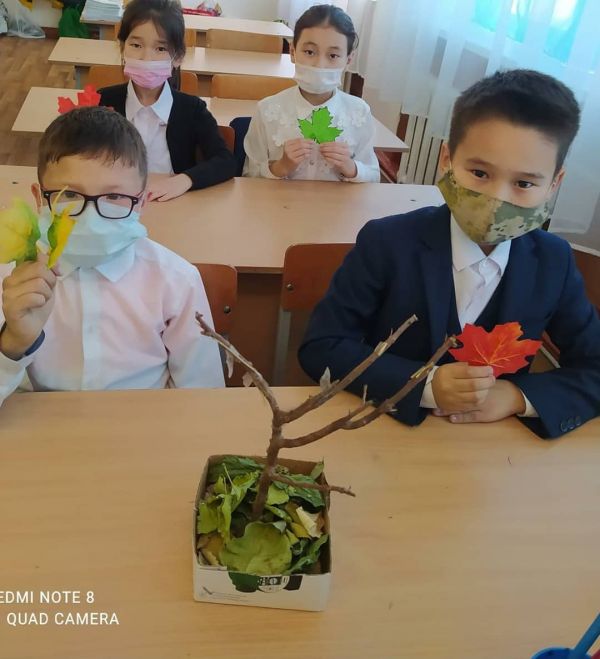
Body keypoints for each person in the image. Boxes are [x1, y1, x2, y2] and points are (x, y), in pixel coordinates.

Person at [299, 69, 600, 439]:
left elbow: (594, 365)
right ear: (447, 159)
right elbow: (322, 347)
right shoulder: (387, 242)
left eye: (524, 183)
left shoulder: (553, 262)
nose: (497, 199)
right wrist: (424, 384)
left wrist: (517, 396)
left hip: (494, 449)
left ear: (554, 184)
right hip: (383, 435)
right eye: (479, 173)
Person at [0, 106, 224, 408]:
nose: (91, 216)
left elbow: (203, 398)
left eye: (115, 197)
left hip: (143, 427)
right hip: (38, 429)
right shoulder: (10, 280)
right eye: (69, 195)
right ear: (40, 198)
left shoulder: (176, 280)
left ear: (141, 202)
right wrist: (13, 343)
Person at [98, 0, 236, 201]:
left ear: (178, 57)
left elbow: (225, 161)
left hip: (171, 205)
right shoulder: (102, 101)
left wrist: (185, 179)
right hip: (113, 204)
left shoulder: (192, 109)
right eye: (136, 45)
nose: (146, 57)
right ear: (122, 47)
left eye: (160, 49)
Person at [243, 4, 379, 182]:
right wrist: (280, 166)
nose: (319, 64)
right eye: (309, 52)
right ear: (293, 51)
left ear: (349, 59)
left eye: (333, 56)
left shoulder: (359, 112)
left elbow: (374, 177)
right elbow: (249, 175)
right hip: (279, 200)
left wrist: (351, 168)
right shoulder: (267, 110)